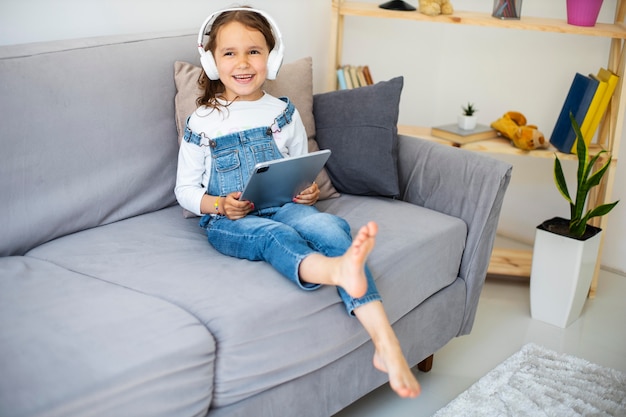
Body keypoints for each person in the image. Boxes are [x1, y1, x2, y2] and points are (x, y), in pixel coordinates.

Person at [174, 6, 421, 399]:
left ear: (271, 57)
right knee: (271, 236)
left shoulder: (283, 112)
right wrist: (218, 204)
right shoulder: (202, 121)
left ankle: (385, 343)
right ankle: (338, 271)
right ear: (211, 60)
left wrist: (308, 191)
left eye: (253, 51)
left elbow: (295, 170)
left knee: (330, 226)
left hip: (282, 203)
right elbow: (184, 190)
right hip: (231, 220)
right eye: (230, 53)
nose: (242, 63)